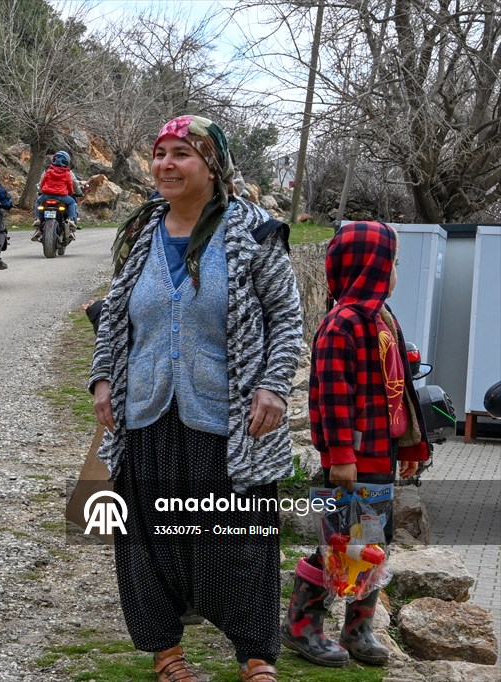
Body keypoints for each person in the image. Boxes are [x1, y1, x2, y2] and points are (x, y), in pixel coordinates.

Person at [89, 114, 303, 682]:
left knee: (242, 541)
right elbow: (114, 319)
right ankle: (167, 655)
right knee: (147, 542)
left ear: (212, 164)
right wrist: (104, 379)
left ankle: (256, 655)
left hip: (233, 421)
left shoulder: (255, 233)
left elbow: (287, 317)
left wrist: (274, 385)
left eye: (181, 153)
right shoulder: (139, 235)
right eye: (159, 153)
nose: (165, 164)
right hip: (150, 417)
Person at [282, 221, 430, 668]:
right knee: (339, 543)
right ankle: (301, 626)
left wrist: (408, 449)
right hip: (352, 462)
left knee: (371, 541)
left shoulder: (383, 319)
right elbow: (331, 397)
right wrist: (341, 457)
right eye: (393, 263)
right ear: (370, 267)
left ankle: (358, 628)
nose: (396, 271)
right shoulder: (341, 324)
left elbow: (399, 391)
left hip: (379, 458)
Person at [32, 150, 79, 242]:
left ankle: (37, 218)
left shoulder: (48, 171)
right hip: (61, 197)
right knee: (72, 202)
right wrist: (70, 193)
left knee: (38, 201)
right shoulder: (67, 173)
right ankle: (71, 219)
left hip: (47, 195)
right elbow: (70, 186)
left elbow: (42, 183)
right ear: (67, 162)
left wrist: (42, 191)